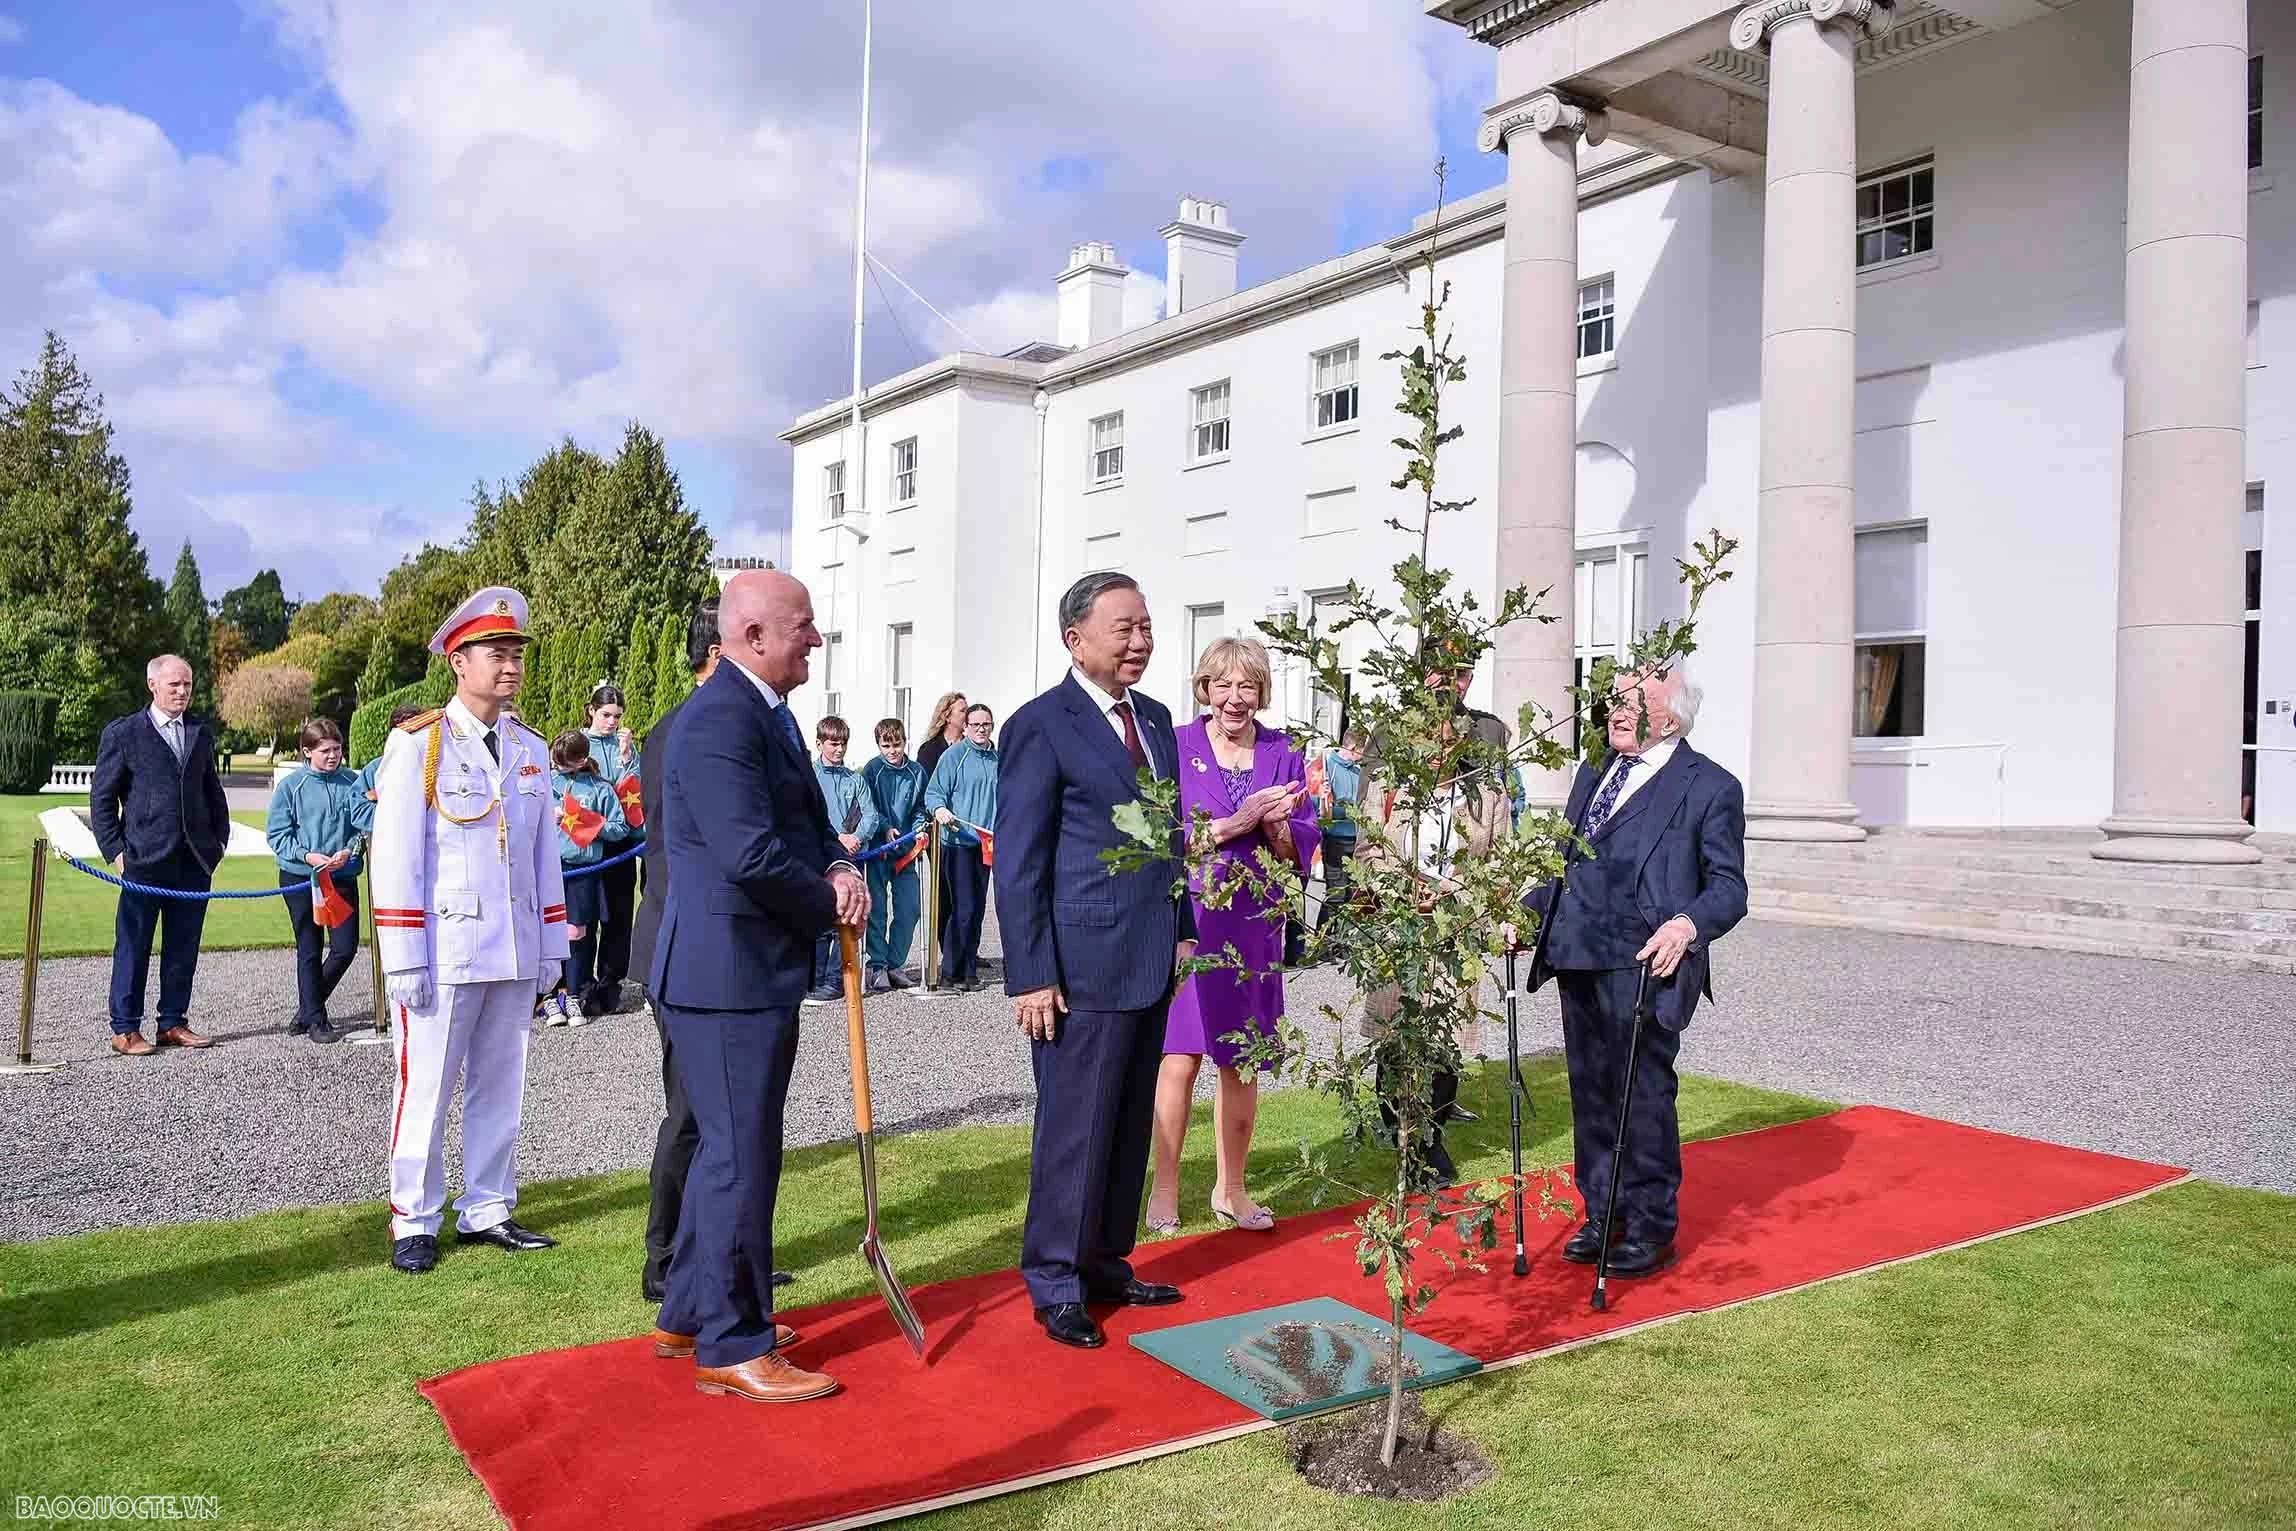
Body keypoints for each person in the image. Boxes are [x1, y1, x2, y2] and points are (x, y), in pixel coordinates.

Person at [647, 569, 866, 1405]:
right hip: (724, 974)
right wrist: (831, 897)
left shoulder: (767, 712)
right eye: (803, 626)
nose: (815, 639)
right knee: (742, 1159)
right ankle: (732, 1343)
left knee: (724, 1151)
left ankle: (688, 1310)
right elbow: (749, 853)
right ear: (754, 636)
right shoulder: (717, 722)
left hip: (742, 970)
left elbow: (804, 823)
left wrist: (839, 860)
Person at [996, 571, 1192, 1351]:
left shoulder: (1158, 719)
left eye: (1146, 626)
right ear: (1076, 638)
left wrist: (1182, 924)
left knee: (1121, 1126)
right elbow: (1019, 862)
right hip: (1076, 966)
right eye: (1125, 627)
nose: (1141, 640)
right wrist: (1031, 972)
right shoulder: (1039, 726)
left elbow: (1167, 836)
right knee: (1073, 1127)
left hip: (1148, 957)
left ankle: (1107, 1260)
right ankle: (1056, 1279)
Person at [1525, 661, 1747, 1279]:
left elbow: (1729, 888)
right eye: (1611, 699)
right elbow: (1564, 861)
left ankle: (1651, 1225)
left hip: (1646, 963)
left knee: (1642, 1094)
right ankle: (1604, 1212)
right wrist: (1522, 916)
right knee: (1591, 1091)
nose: (1613, 710)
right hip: (1577, 953)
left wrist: (1687, 925)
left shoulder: (1710, 787)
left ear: (1671, 715)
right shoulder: (1595, 768)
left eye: (1629, 700)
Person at [370, 588, 569, 1275]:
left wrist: (551, 943)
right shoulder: (419, 743)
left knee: (500, 1081)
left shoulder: (531, 748)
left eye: (516, 653)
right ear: (458, 660)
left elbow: (545, 856)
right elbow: (395, 856)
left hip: (512, 944)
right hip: (445, 947)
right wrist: (402, 955)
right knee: (425, 1084)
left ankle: (487, 1206)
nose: (511, 665)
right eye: (496, 652)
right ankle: (414, 1218)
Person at [628, 599, 791, 1306]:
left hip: (720, 942)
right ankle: (667, 1257)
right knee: (696, 1115)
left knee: (719, 1119)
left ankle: (711, 1263)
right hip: (691, 939)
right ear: (722, 651)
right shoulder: (688, 728)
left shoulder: (751, 721)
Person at [1146, 638, 1318, 1236]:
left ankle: (1232, 1189)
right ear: (1205, 689)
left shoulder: (1283, 753)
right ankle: (1164, 1190)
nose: (1234, 698)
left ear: (1261, 692)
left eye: (1247, 686)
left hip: (1255, 924)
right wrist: (1237, 824)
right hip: (1192, 920)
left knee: (1242, 1059)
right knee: (1180, 1057)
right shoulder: (1175, 744)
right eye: (1222, 685)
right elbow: (1161, 838)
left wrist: (1275, 830)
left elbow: (1300, 852)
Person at [90, 654, 231, 1056]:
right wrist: (116, 853)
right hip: (142, 861)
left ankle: (173, 1022)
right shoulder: (124, 734)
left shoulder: (200, 733)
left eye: (187, 684)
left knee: (183, 947)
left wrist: (217, 843)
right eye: (174, 685)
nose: (182, 691)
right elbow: (102, 800)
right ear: (153, 685)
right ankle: (124, 1029)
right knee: (132, 945)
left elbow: (212, 793)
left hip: (194, 862)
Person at [265, 718, 367, 1045]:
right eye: (325, 750)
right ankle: (317, 1020)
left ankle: (308, 1007)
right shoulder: (290, 787)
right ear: (307, 752)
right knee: (309, 948)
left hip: (342, 876)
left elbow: (362, 827)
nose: (333, 755)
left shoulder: (353, 782)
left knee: (345, 948)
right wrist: (308, 856)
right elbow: (278, 835)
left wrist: (349, 851)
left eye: (337, 749)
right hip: (301, 878)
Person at [545, 729, 630, 1027]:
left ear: (580, 760)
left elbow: (621, 829)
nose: (557, 768)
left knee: (577, 933)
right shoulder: (547, 782)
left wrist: (591, 823)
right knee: (549, 933)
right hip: (552, 870)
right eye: (555, 762)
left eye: (564, 763)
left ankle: (575, 992)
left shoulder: (599, 788)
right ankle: (550, 996)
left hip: (584, 872)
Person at [805, 716, 881, 1006]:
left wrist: (856, 838)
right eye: (833, 743)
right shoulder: (810, 777)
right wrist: (835, 838)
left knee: (846, 916)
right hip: (818, 855)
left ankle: (836, 979)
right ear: (820, 743)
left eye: (843, 743)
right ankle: (814, 978)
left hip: (849, 857)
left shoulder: (856, 780)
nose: (839, 749)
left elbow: (870, 815)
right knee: (817, 917)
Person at [579, 684, 644, 1015]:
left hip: (620, 845)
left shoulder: (626, 747)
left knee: (618, 917)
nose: (612, 722)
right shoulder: (578, 744)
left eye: (618, 716)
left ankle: (611, 981)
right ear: (591, 711)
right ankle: (583, 984)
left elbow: (635, 792)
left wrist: (627, 758)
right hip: (587, 847)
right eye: (606, 715)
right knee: (587, 916)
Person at [924, 705, 998, 991]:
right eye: (975, 724)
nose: (981, 729)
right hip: (956, 844)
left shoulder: (997, 758)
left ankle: (968, 971)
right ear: (965, 727)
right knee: (963, 908)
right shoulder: (953, 756)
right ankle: (950, 972)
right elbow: (934, 793)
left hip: (985, 844)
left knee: (977, 909)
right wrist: (940, 809)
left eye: (986, 724)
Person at [859, 717, 927, 991]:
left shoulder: (917, 772)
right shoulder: (872, 770)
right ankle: (877, 966)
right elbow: (869, 806)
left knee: (910, 908)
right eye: (886, 745)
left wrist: (920, 827)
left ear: (904, 742)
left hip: (906, 852)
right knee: (876, 909)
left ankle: (895, 963)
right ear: (878, 745)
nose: (892, 751)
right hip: (878, 851)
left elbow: (921, 806)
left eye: (896, 744)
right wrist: (886, 829)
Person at [917, 690, 967, 954]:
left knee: (969, 894)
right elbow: (926, 790)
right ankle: (945, 950)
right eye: (962, 710)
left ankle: (966, 949)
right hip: (938, 831)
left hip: (967, 830)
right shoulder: (930, 750)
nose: (967, 715)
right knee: (944, 893)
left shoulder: (974, 746)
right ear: (947, 715)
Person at [1315, 728, 1369, 928]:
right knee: (1336, 895)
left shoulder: (1360, 770)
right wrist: (1341, 809)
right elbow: (1318, 808)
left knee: (1353, 896)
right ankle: (1323, 943)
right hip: (1336, 840)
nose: (1364, 756)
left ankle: (1342, 944)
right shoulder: (1326, 767)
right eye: (1363, 751)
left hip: (1359, 841)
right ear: (1353, 747)